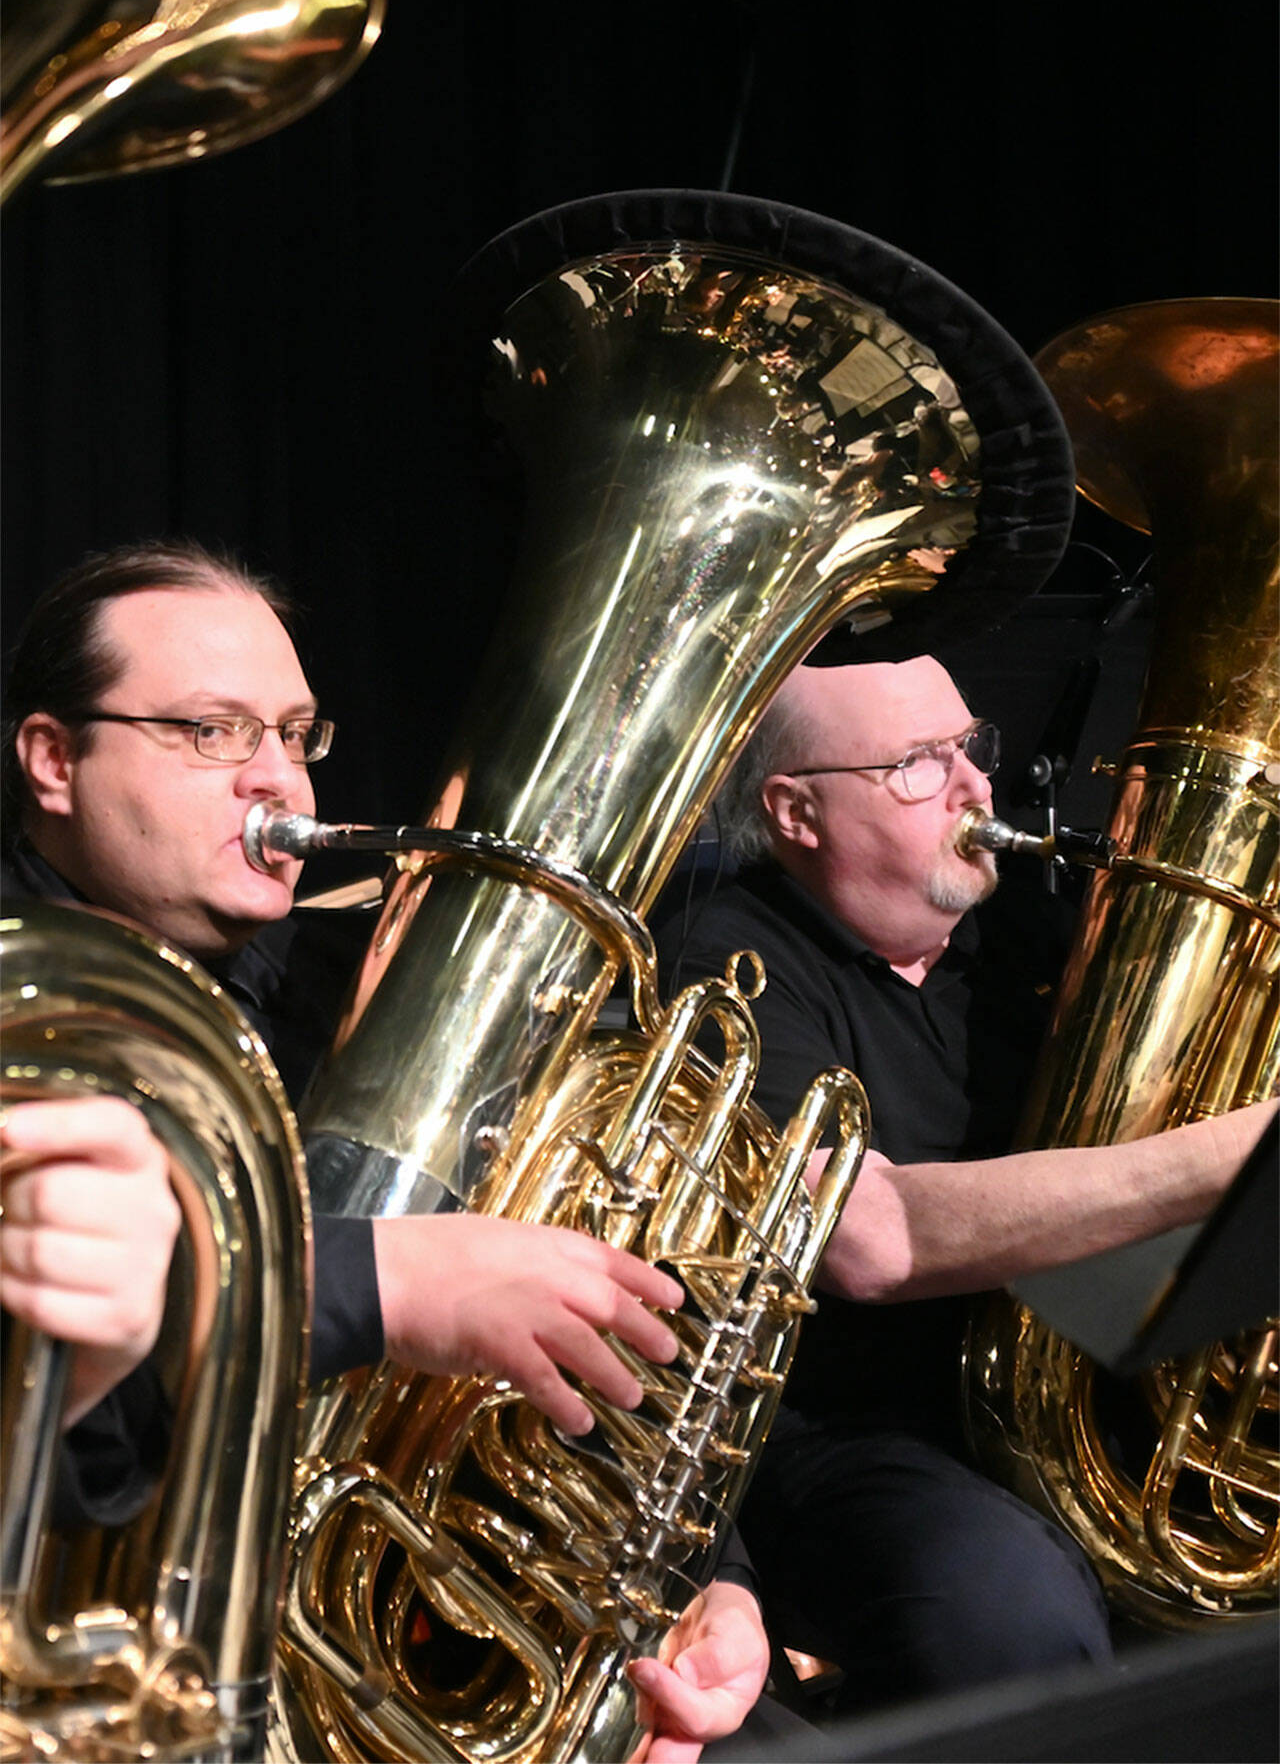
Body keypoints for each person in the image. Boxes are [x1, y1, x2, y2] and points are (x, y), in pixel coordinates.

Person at [0, 538, 775, 1759]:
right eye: (213, 734)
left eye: (297, 735)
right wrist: (385, 1281)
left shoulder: (359, 989)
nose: (284, 788)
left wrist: (688, 1583)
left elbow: (563, 1319)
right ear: (54, 759)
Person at [653, 652, 1275, 1719]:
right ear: (796, 812)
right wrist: (1236, 1161)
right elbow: (867, 1238)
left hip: (1069, 1378)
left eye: (968, 747)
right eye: (914, 764)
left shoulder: (1037, 931)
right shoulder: (726, 967)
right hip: (833, 1431)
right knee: (1005, 1613)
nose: (972, 787)